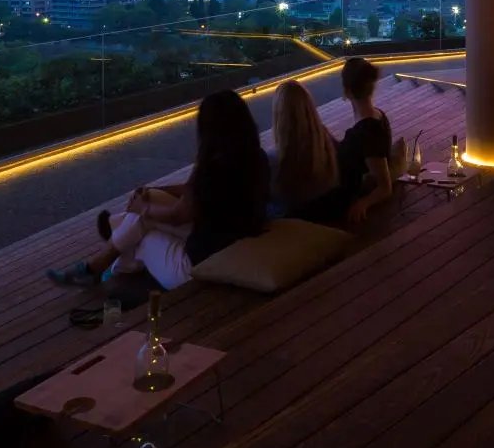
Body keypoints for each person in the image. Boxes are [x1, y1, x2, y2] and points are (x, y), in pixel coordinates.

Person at [46, 89, 268, 291]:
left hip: (196, 264)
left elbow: (178, 216)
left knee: (143, 229)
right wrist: (153, 191)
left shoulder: (212, 168)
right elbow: (194, 193)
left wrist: (145, 211)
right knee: (148, 204)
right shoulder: (257, 158)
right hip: (230, 240)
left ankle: (108, 265)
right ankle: (105, 259)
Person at [298, 56, 397, 227]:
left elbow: (384, 186)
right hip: (340, 186)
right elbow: (356, 153)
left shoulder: (368, 132)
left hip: (342, 197)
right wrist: (325, 134)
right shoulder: (376, 117)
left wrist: (363, 204)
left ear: (347, 91)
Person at [266, 79, 341, 218]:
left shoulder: (273, 161)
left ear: (278, 116)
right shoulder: (325, 141)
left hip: (296, 224)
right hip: (330, 212)